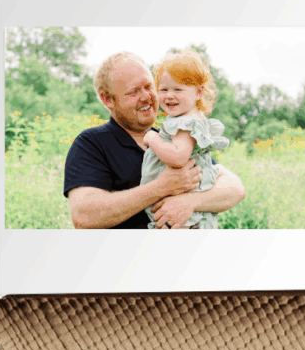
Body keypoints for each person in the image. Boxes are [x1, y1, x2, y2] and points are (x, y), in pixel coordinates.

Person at [64, 51, 245, 229]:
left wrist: (191, 202)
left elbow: (235, 188)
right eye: (133, 92)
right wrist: (160, 187)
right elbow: (84, 215)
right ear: (108, 100)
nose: (146, 97)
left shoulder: (172, 138)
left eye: (149, 86)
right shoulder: (92, 143)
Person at [140, 50, 230, 229]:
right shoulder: (193, 118)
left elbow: (178, 157)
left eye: (178, 89)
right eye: (164, 89)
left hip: (180, 199)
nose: (169, 95)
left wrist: (152, 138)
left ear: (198, 93)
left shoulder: (185, 123)